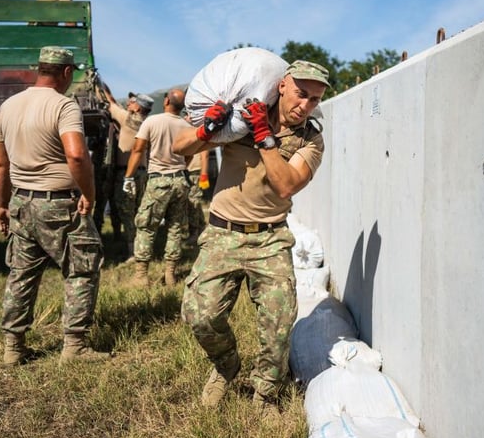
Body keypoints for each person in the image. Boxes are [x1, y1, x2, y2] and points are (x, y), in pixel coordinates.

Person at [172, 60, 330, 414]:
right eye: (301, 94)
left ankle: (265, 395)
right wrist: (208, 128)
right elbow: (179, 149)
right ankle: (225, 367)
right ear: (282, 86)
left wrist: (266, 139)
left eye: (315, 100)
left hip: (270, 238)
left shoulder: (311, 139)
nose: (305, 106)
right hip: (222, 232)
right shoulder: (243, 117)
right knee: (200, 315)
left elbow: (287, 184)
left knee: (278, 322)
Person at [0, 46, 107, 366]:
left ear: (39, 69)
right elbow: (76, 155)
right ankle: (74, 346)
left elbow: (0, 165)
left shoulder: (8, 106)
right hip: (59, 205)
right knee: (82, 269)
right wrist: (89, 192)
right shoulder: (64, 105)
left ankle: (13, 347)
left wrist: (2, 204)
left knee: (22, 274)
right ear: (67, 73)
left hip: (20, 202)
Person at [123, 89, 191, 286]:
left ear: (167, 100)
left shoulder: (152, 121)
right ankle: (170, 274)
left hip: (158, 180)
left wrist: (128, 178)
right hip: (180, 180)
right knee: (175, 227)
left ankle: (141, 276)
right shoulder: (186, 125)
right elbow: (190, 153)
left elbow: (138, 150)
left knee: (146, 226)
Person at [103, 87, 153, 261]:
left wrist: (100, 85)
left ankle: (133, 251)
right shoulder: (147, 122)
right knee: (139, 211)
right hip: (142, 173)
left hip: (127, 173)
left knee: (126, 211)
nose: (129, 102)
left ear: (137, 108)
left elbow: (110, 104)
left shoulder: (127, 119)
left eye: (132, 102)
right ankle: (144, 247)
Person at [184, 145, 210, 246]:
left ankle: (194, 234)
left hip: (195, 172)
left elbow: (205, 155)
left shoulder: (199, 131)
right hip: (188, 171)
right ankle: (201, 228)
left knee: (193, 203)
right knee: (194, 203)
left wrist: (204, 174)